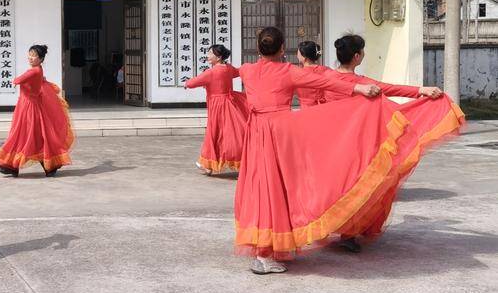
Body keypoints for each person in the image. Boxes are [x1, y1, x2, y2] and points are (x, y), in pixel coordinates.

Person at [235, 27, 452, 275]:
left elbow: (234, 71)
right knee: (287, 189)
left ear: (259, 47)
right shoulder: (291, 72)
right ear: (283, 48)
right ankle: (266, 253)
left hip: (260, 135)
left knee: (265, 188)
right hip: (287, 135)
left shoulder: (247, 70)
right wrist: (361, 89)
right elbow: (327, 82)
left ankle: (269, 246)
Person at [322, 34, 448, 253]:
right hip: (357, 145)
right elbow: (390, 88)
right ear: (357, 56)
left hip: (330, 143)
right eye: (362, 51)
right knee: (359, 187)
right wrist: (421, 90)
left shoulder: (327, 78)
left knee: (334, 187)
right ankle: (348, 233)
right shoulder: (361, 83)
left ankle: (329, 226)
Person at [0, 45, 75, 178]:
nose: (30, 58)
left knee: (24, 136)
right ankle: (44, 165)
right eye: (30, 54)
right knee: (32, 136)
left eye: (34, 56)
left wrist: (16, 80)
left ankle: (13, 166)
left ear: (41, 59)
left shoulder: (34, 71)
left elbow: (18, 80)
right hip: (27, 106)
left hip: (30, 108)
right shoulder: (38, 70)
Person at [184, 44, 249, 174]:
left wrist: (186, 83)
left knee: (214, 132)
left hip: (217, 106)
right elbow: (239, 71)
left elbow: (192, 82)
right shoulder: (228, 68)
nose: (207, 56)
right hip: (230, 104)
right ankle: (215, 163)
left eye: (210, 53)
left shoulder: (211, 72)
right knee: (229, 133)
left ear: (218, 57)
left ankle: (208, 163)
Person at [294, 41, 330, 109]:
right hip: (323, 108)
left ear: (304, 57)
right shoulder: (327, 70)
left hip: (305, 109)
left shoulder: (298, 74)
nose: (297, 56)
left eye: (298, 54)